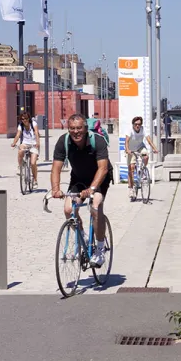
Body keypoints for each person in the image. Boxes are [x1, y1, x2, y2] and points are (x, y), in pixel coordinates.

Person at [50, 113, 111, 266]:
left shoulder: (97, 140)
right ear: (68, 129)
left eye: (79, 128)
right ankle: (82, 236)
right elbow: (56, 168)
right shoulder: (63, 141)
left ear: (85, 128)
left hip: (99, 178)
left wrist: (92, 189)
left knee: (95, 206)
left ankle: (100, 248)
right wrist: (56, 189)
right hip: (78, 178)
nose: (76, 132)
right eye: (72, 129)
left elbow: (103, 168)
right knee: (68, 209)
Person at [125, 116, 159, 198]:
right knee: (131, 169)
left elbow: (149, 140)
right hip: (131, 150)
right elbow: (126, 142)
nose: (138, 126)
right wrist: (127, 150)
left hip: (140, 147)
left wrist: (155, 149)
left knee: (146, 156)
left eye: (139, 124)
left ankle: (143, 170)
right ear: (133, 124)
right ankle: (131, 188)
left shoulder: (143, 129)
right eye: (136, 124)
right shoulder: (130, 130)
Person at [11, 111, 41, 188]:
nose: (24, 120)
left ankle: (35, 180)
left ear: (29, 119)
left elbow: (37, 133)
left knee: (33, 163)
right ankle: (20, 166)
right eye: (22, 119)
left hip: (34, 144)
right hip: (25, 143)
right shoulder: (20, 125)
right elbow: (18, 135)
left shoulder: (33, 123)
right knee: (20, 150)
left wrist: (38, 143)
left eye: (26, 119)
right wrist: (14, 142)